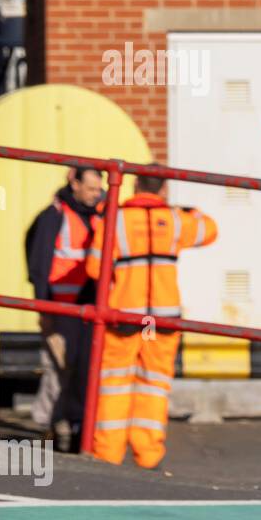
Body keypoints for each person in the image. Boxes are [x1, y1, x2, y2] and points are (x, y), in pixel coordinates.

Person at [85, 174, 217, 468]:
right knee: (154, 386)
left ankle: (107, 456)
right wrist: (189, 210)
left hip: (124, 316)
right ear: (164, 188)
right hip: (163, 319)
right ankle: (148, 456)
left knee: (114, 385)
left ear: (134, 186)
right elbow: (210, 230)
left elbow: (95, 267)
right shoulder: (175, 220)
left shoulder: (113, 220)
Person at [24, 165, 105, 451]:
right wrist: (44, 310)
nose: (97, 194)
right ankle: (46, 426)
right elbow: (39, 264)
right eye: (92, 188)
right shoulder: (55, 217)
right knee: (58, 370)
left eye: (99, 188)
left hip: (90, 311)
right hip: (62, 309)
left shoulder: (99, 215)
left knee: (83, 371)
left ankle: (74, 424)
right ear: (75, 183)